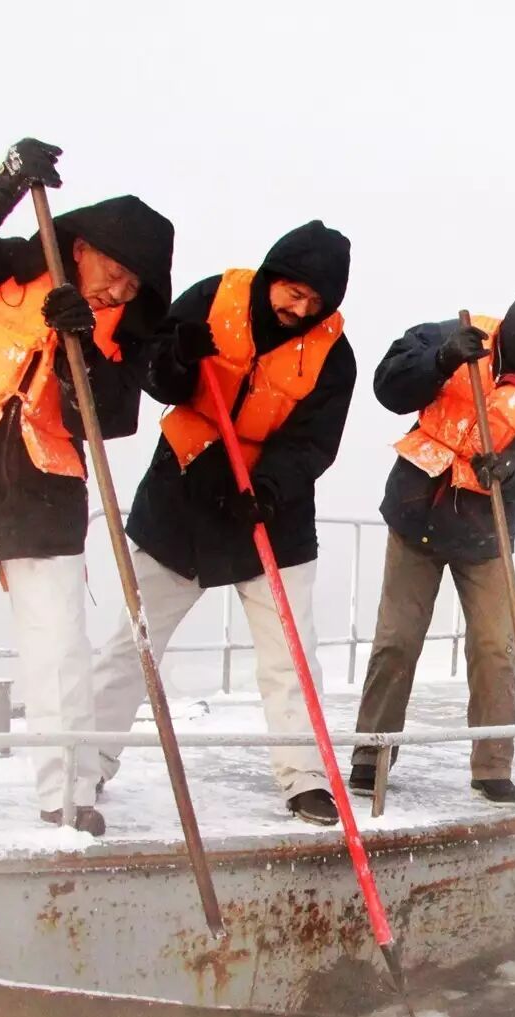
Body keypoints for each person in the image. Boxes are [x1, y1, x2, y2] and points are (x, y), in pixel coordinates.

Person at [0, 137, 173, 835]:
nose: (119, 291)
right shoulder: (8, 264)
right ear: (82, 247)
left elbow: (105, 420)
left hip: (46, 495)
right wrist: (0, 188)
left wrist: (81, 347)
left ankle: (68, 791)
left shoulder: (126, 336)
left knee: (58, 649)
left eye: (134, 287)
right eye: (114, 273)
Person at [89, 222, 354, 826]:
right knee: (134, 643)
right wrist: (178, 357)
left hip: (269, 511)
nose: (300, 309)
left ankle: (306, 778)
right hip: (183, 492)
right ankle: (86, 761)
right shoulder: (212, 298)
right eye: (294, 292)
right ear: (272, 276)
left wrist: (269, 488)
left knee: (290, 656)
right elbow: (154, 373)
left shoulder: (334, 355)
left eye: (315, 303)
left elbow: (314, 442)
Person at [347, 266, 515, 806]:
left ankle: (492, 765)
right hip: (416, 516)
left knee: (495, 647)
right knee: (397, 640)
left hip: (485, 532)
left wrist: (511, 472)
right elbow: (388, 387)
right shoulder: (453, 336)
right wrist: (440, 360)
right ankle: (372, 754)